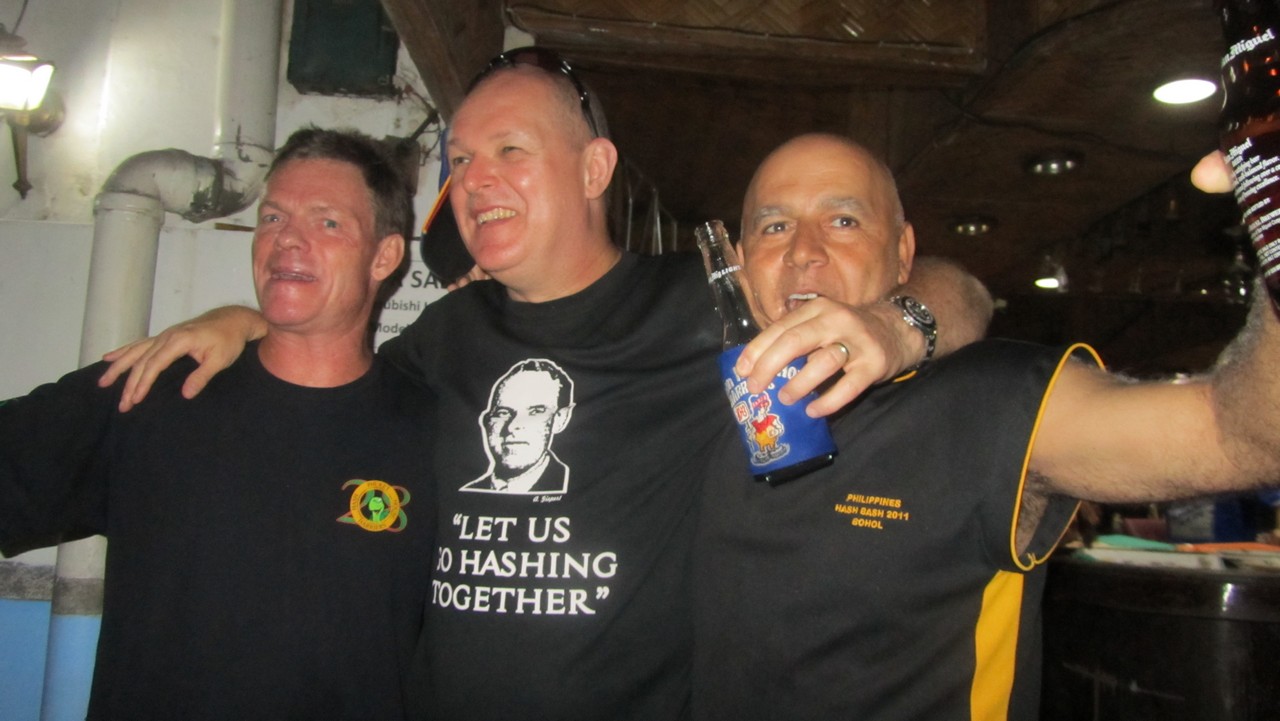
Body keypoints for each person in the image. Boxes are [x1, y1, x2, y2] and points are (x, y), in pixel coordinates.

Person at [92, 49, 996, 719]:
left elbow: (961, 292)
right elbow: (335, 376)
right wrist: (249, 321)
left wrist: (895, 327)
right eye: (460, 159)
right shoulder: (444, 336)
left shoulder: (704, 306)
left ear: (595, 168)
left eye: (509, 151)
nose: (475, 180)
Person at [691, 133, 1280, 721]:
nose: (803, 252)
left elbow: (1242, 435)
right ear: (738, 266)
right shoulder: (704, 397)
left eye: (843, 221)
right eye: (775, 227)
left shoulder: (990, 395)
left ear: (902, 253)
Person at [0, 128, 435, 720]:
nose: (287, 239)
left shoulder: (434, 433)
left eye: (328, 222)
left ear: (384, 256)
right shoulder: (154, 391)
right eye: (273, 217)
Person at [462, 358, 574, 494]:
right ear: (486, 421)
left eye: (535, 412)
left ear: (560, 419)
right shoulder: (469, 491)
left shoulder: (577, 486)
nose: (512, 426)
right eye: (503, 413)